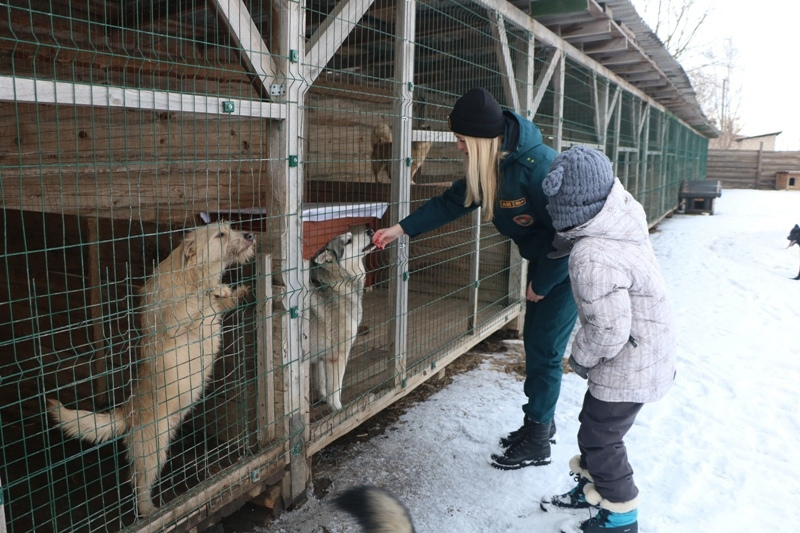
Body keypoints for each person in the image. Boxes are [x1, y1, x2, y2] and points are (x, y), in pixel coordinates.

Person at [372, 87, 578, 469]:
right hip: (544, 263)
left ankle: (537, 441)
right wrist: (399, 229)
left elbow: (568, 235)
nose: (458, 148)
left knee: (546, 352)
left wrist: (543, 283)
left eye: (462, 140)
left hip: (567, 267)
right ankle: (539, 425)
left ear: (482, 139)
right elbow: (451, 202)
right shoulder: (491, 166)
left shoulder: (539, 167)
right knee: (535, 347)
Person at [537, 146, 676, 533]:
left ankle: (620, 516)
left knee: (601, 439)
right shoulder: (621, 219)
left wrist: (578, 357)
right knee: (594, 426)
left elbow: (608, 330)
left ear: (566, 208)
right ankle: (591, 489)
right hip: (647, 351)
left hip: (630, 363)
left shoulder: (592, 254)